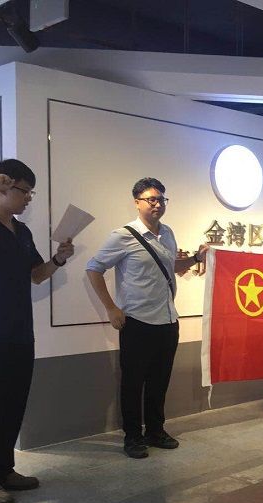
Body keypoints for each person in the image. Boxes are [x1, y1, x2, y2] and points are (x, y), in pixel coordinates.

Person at [0, 159, 74, 503]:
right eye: (25, 191)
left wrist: (59, 260)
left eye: (30, 193)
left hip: (21, 332)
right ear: (4, 185)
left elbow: (36, 275)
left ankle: (3, 470)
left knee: (12, 404)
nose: (28, 199)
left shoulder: (21, 232)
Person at [86, 178, 206, 459]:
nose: (157, 204)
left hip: (168, 321)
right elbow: (94, 268)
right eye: (151, 199)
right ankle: (132, 437)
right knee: (132, 383)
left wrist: (196, 258)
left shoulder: (168, 233)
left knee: (159, 382)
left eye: (161, 199)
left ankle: (155, 430)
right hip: (137, 322)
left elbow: (170, 266)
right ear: (137, 202)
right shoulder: (123, 236)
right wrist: (111, 308)